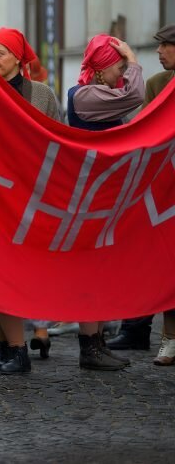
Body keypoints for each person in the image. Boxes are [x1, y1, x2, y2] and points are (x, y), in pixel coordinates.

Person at [0, 28, 61, 374]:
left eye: (0, 53)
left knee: (13, 270)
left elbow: (59, 137)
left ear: (17, 57)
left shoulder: (41, 94)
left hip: (32, 192)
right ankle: (10, 345)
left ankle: (10, 346)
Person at [68, 34, 145, 370]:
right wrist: (135, 59)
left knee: (99, 271)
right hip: (93, 195)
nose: (123, 72)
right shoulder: (85, 96)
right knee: (89, 273)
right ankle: (89, 347)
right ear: (100, 70)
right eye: (118, 66)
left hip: (104, 194)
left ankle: (97, 342)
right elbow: (135, 94)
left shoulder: (98, 93)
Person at [108, 24, 175, 362]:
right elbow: (147, 134)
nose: (160, 52)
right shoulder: (157, 84)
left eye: (165, 46)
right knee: (166, 263)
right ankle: (168, 338)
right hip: (165, 189)